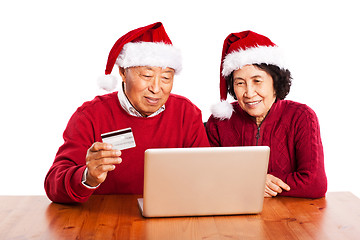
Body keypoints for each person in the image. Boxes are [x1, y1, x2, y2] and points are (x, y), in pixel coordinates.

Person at [45, 22, 210, 203]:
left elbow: (206, 176)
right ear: (123, 72)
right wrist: (88, 176)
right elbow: (54, 183)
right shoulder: (90, 115)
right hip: (103, 222)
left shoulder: (186, 114)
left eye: (166, 77)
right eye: (147, 76)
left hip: (169, 220)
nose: (156, 88)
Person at [206, 30, 327, 198]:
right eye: (240, 83)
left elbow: (314, 183)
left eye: (257, 81)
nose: (249, 92)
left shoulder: (301, 116)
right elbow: (207, 180)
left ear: (275, 81)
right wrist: (253, 183)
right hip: (235, 218)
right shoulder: (219, 122)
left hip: (290, 219)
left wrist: (254, 183)